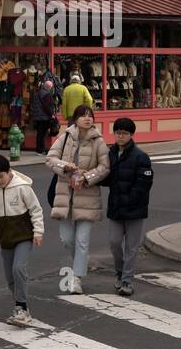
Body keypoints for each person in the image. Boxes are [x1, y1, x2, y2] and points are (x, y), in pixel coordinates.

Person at [46, 104, 109, 294]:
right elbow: (50, 158)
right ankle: (81, 262)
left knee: (82, 240)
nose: (87, 119)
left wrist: (86, 177)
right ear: (75, 119)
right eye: (83, 115)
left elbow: (105, 167)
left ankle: (76, 277)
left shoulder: (98, 141)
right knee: (67, 239)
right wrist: (65, 167)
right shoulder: (65, 137)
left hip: (87, 196)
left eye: (90, 115)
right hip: (66, 196)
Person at [0, 154, 44, 326]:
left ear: (9, 171)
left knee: (18, 269)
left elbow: (36, 210)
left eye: (1, 176)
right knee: (10, 277)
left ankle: (21, 307)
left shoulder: (23, 188)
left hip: (24, 236)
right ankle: (20, 306)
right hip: (5, 239)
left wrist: (38, 232)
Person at [101, 117, 153, 297]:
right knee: (114, 243)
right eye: (118, 132)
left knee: (132, 247)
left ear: (131, 135)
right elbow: (105, 177)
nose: (120, 136)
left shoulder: (141, 156)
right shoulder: (110, 154)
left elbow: (144, 183)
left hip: (135, 209)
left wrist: (130, 199)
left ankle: (127, 281)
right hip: (116, 208)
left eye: (124, 133)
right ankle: (119, 270)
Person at [30, 76, 58, 154]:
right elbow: (47, 106)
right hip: (44, 117)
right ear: (49, 87)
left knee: (40, 133)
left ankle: (39, 149)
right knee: (42, 134)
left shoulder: (36, 93)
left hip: (37, 116)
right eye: (51, 87)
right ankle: (40, 149)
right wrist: (51, 114)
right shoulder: (46, 95)